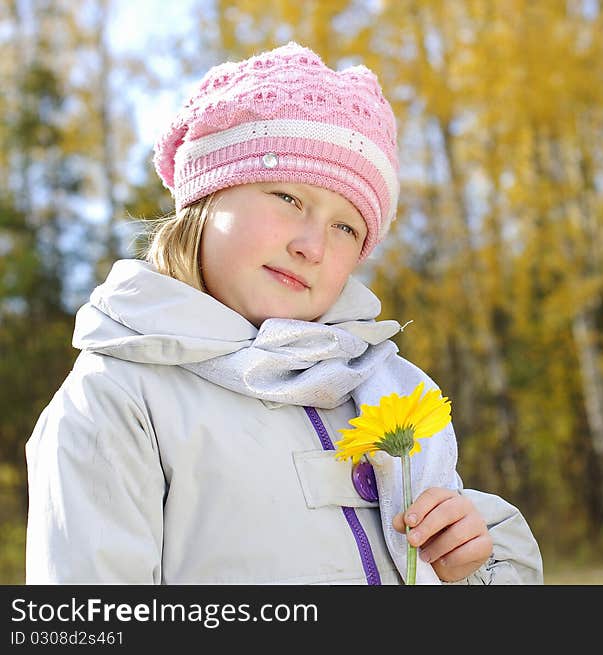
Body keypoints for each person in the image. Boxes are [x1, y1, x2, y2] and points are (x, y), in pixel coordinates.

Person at [24, 41, 543, 585]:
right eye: (288, 197)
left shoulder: (383, 392)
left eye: (347, 228)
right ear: (208, 196)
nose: (312, 246)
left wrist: (467, 563)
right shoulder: (119, 399)